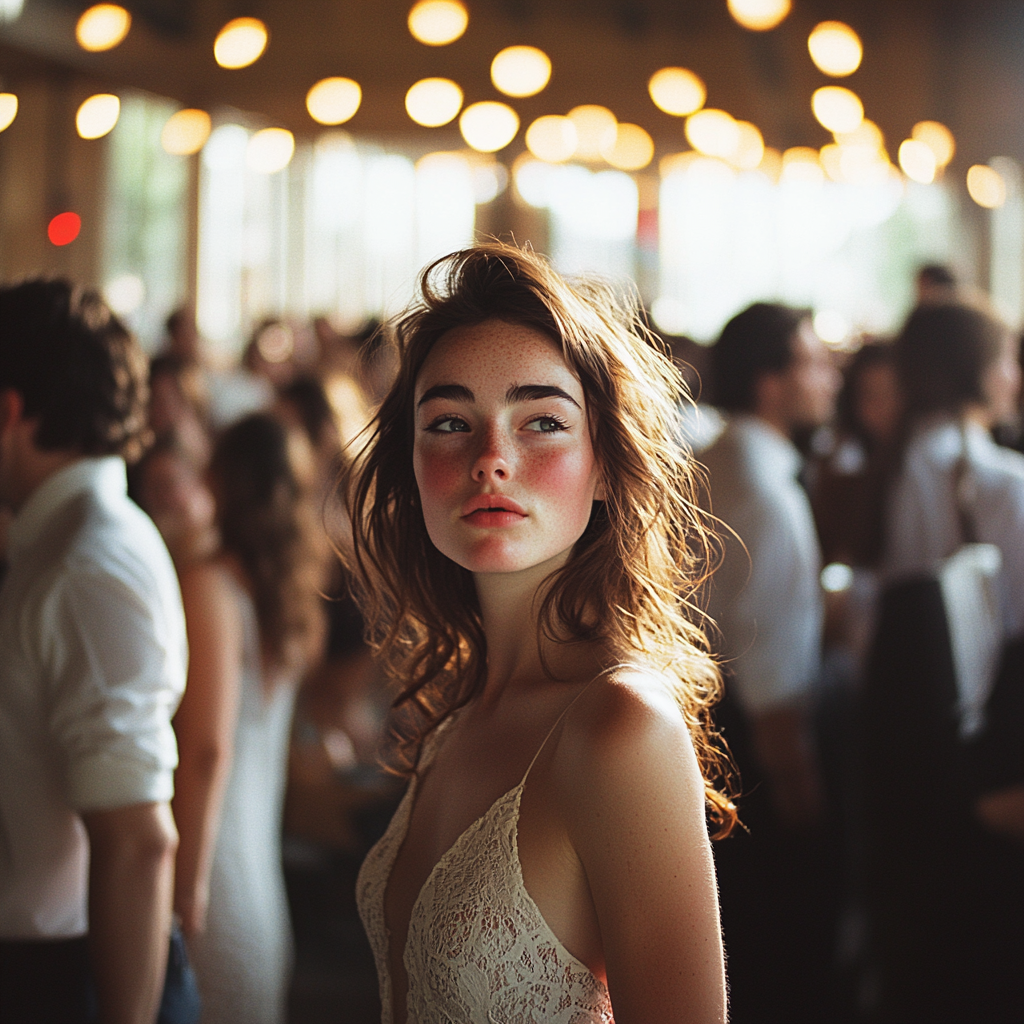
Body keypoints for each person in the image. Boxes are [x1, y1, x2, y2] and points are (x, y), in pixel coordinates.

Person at [342, 243, 733, 1024]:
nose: (491, 459)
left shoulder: (620, 726)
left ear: (605, 467)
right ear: (411, 465)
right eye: (450, 422)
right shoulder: (458, 709)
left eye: (542, 423)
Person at [0, 280, 196, 1023]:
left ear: (9, 410)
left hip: (70, 975)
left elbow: (138, 841)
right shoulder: (63, 539)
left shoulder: (87, 562)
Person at [864, 300, 1024, 1023]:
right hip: (982, 728)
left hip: (901, 727)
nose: (1015, 376)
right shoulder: (997, 480)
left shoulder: (893, 460)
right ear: (978, 370)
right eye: (1007, 359)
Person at [700, 301, 842, 1023]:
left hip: (707, 730)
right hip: (753, 747)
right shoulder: (766, 490)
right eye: (812, 362)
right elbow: (771, 673)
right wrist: (800, 790)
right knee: (778, 954)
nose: (829, 378)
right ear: (770, 383)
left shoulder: (718, 457)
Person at [173, 413, 325, 1024]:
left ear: (224, 478)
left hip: (211, 875)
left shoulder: (210, 586)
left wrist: (184, 887)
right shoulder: (282, 593)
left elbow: (209, 749)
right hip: (259, 883)